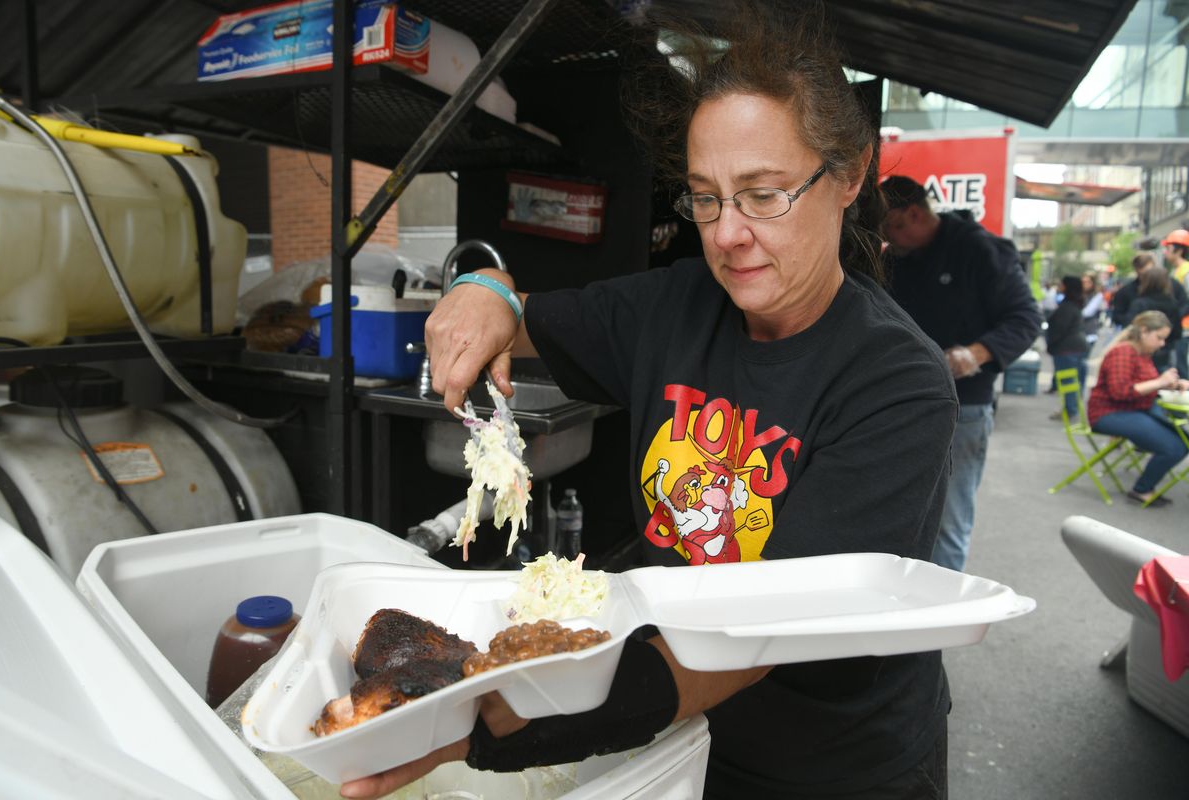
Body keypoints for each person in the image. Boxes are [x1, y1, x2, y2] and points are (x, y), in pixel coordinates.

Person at [340, 5, 958, 799]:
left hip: (832, 761)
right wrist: (484, 288)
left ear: (848, 175)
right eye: (705, 197)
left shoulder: (894, 382)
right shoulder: (681, 303)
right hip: (681, 732)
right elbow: (526, 313)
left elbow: (761, 632)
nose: (727, 235)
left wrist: (487, 721)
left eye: (763, 195)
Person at [879, 174, 1042, 573]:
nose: (888, 240)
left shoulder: (978, 249)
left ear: (913, 214)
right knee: (893, 515)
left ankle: (935, 625)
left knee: (947, 524)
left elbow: (1025, 318)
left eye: (891, 228)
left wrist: (974, 354)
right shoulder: (894, 259)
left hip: (962, 408)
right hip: (895, 405)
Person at [1087, 310, 1189, 507]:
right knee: (1173, 447)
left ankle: (1145, 487)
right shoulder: (1124, 352)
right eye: (1159, 338)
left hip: (1132, 411)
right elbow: (1120, 392)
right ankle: (1141, 490)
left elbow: (1144, 382)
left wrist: (1172, 384)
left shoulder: (1141, 353)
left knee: (1183, 443)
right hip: (1109, 414)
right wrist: (1160, 382)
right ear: (1144, 331)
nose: (1162, 344)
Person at [1045, 275, 1089, 421]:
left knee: (1068, 382)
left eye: (1061, 284)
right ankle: (1073, 408)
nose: (1059, 286)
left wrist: (1051, 345)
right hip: (1077, 347)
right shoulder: (1074, 304)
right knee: (1075, 382)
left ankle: (1070, 410)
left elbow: (1059, 329)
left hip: (1067, 349)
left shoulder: (1067, 307)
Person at [1111, 251, 1187, 328]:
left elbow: (1184, 305)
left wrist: (1172, 320)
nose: (1146, 277)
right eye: (1143, 274)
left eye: (1149, 273)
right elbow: (1118, 316)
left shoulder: (1173, 286)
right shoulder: (1126, 292)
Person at [1130, 265, 1184, 371]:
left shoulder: (1139, 303)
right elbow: (1177, 332)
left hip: (1140, 354)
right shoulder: (1172, 303)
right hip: (1165, 354)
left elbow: (1131, 329)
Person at [1162, 229, 1189, 376]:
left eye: (1168, 248)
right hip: (1177, 327)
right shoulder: (1176, 271)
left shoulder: (1186, 271)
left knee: (1182, 368)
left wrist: (1177, 316)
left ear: (1178, 251)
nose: (1165, 252)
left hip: (1184, 329)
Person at [1081, 271, 1105, 354]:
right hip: (1076, 334)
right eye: (1083, 282)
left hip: (1089, 334)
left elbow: (1087, 312)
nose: (1085, 284)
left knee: (1081, 360)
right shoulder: (1078, 294)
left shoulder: (1097, 295)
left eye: (1087, 282)